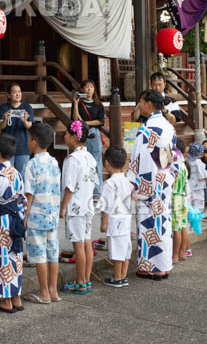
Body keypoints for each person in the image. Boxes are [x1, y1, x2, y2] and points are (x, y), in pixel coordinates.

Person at [128, 89, 176, 279]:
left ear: (148, 104)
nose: (139, 106)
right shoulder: (167, 125)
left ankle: (150, 267)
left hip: (149, 180)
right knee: (163, 222)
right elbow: (172, 155)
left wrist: (133, 181)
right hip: (165, 177)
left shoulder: (147, 128)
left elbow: (139, 158)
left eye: (140, 102)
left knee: (148, 224)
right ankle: (164, 265)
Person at [23, 121, 61, 303]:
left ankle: (44, 292)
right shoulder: (54, 161)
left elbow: (28, 194)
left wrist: (25, 214)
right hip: (52, 213)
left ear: (34, 142)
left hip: (37, 215)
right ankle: (53, 290)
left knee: (39, 255)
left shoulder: (31, 164)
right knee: (53, 252)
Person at [0, 134, 26, 315]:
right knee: (15, 258)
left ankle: (5, 300)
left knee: (3, 258)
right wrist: (20, 217)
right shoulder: (17, 173)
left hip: (2, 221)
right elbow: (22, 199)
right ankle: (16, 297)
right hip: (16, 219)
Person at [60, 120, 98, 295]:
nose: (65, 136)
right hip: (88, 203)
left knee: (78, 245)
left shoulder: (72, 159)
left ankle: (80, 281)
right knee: (87, 242)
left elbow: (69, 186)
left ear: (74, 137)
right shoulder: (89, 157)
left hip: (75, 206)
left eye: (67, 134)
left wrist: (63, 206)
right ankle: (86, 279)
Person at [99, 146, 133, 287]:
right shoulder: (127, 181)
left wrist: (103, 223)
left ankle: (117, 277)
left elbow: (106, 206)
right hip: (126, 218)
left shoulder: (109, 184)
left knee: (117, 250)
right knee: (125, 248)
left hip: (115, 220)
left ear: (106, 163)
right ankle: (123, 276)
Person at [0, 83, 35, 178]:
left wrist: (25, 120)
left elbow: (30, 125)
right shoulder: (4, 107)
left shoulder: (27, 107)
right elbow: (1, 126)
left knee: (23, 175)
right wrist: (5, 119)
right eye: (14, 92)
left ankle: (22, 193)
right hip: (7, 147)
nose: (17, 94)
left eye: (19, 92)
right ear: (8, 95)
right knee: (7, 174)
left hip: (23, 147)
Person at [72, 79, 105, 177]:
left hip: (94, 134)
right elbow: (75, 119)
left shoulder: (98, 105)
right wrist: (75, 103)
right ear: (81, 89)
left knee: (96, 160)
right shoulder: (78, 104)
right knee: (82, 160)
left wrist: (85, 123)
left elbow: (100, 121)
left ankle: (97, 190)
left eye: (91, 87)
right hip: (81, 133)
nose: (89, 89)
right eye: (87, 87)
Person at [171, 149, 190, 263]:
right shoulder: (184, 165)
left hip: (176, 197)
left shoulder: (175, 166)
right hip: (184, 197)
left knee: (176, 228)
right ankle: (183, 252)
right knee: (183, 226)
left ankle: (175, 255)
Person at [185, 143, 207, 222]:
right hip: (198, 184)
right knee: (199, 200)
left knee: (190, 199)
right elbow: (203, 172)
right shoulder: (198, 162)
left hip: (189, 183)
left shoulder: (186, 160)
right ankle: (197, 215)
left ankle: (190, 214)